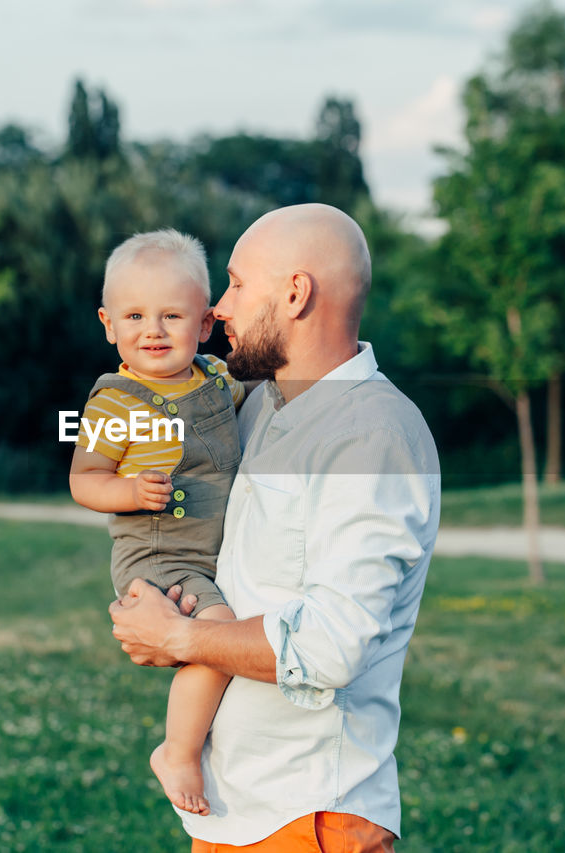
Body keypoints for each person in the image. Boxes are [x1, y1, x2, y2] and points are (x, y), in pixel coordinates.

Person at [109, 204, 441, 851]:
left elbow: (331, 645)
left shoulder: (371, 434)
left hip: (312, 816)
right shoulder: (261, 404)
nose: (219, 307)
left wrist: (182, 636)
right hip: (235, 806)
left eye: (235, 282)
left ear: (296, 293)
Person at [69, 229, 245, 817]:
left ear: (203, 325)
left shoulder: (217, 378)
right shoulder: (115, 401)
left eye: (172, 315)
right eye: (135, 315)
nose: (153, 330)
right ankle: (177, 750)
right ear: (108, 323)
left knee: (222, 629)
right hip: (158, 552)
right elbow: (83, 478)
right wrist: (128, 490)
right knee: (217, 633)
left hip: (211, 549)